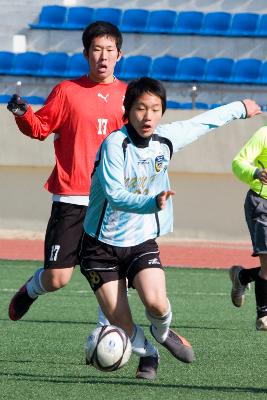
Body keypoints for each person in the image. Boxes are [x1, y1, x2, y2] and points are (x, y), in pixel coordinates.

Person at [79, 77, 261, 380]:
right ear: (128, 110)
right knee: (121, 322)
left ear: (162, 111)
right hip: (100, 246)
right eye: (140, 108)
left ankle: (162, 333)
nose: (147, 116)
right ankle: (148, 354)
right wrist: (152, 203)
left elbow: (203, 123)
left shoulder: (165, 140)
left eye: (154, 108)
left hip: (139, 241)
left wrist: (240, 107)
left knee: (157, 303)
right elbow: (114, 195)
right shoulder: (115, 144)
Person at [7, 21, 126, 325]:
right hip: (72, 196)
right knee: (58, 278)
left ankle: (106, 333)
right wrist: (23, 114)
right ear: (86, 53)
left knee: (112, 276)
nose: (103, 56)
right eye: (97, 49)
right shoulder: (67, 91)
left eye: (109, 50)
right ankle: (33, 289)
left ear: (119, 55)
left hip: (113, 200)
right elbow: (39, 128)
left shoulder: (129, 97)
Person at [230, 126, 267, 331]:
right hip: (262, 203)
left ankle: (242, 277)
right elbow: (238, 162)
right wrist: (256, 172)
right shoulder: (264, 135)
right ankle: (263, 316)